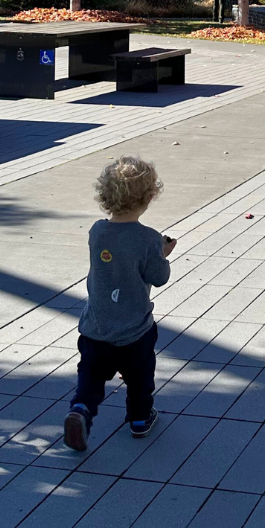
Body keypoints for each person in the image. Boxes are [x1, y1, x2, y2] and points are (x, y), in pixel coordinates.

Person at [63, 156, 176, 451]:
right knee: (139, 376)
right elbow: (158, 277)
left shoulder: (97, 232)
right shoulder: (149, 239)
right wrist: (162, 253)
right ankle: (139, 419)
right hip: (134, 331)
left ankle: (81, 410)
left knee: (90, 375)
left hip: (95, 328)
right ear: (149, 197)